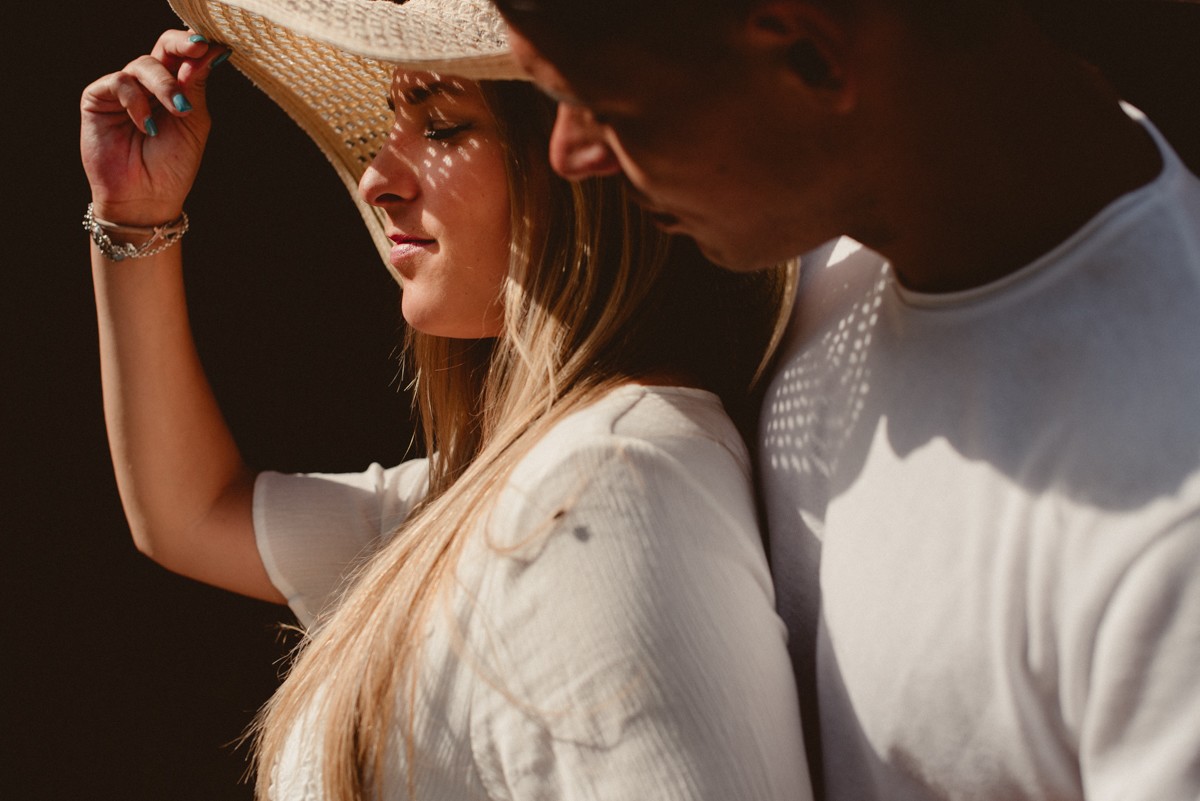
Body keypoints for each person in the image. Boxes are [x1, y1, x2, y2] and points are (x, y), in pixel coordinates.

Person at [79, 0, 813, 799]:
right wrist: (134, 214)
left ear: (582, 154)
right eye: (395, 120)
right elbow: (189, 512)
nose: (376, 181)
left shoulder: (610, 481)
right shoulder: (504, 491)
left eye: (445, 127)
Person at [490, 1, 1200, 800]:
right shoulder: (830, 248)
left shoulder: (1167, 526)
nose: (568, 154)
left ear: (812, 57)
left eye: (608, 109)